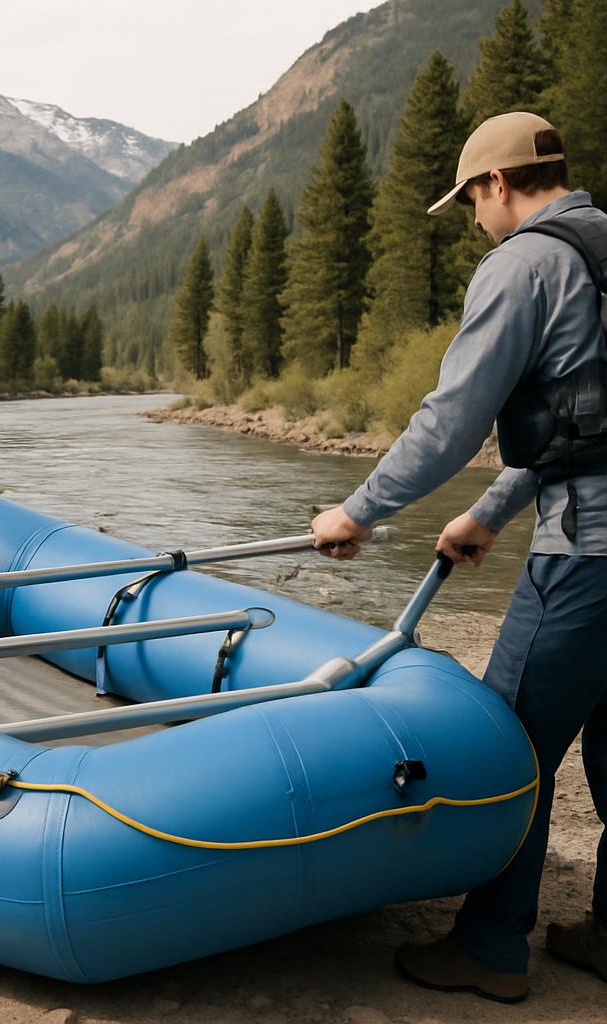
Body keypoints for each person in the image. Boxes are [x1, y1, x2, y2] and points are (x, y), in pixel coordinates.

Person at [311, 111, 607, 1003]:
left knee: (507, 741)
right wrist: (489, 509)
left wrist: (358, 512)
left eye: (471, 201)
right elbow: (586, 420)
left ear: (495, 186)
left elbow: (452, 419)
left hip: (590, 552)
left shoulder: (522, 263)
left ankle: (489, 949)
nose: (475, 219)